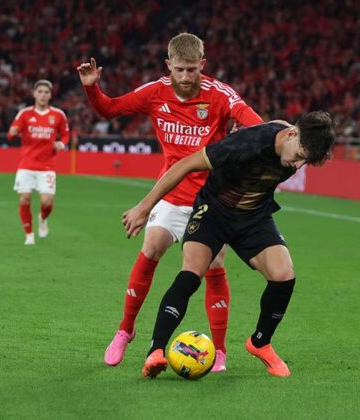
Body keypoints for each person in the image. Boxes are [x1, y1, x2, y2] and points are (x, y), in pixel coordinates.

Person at [78, 32, 263, 371]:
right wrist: (92, 87)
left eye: (193, 69)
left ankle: (219, 351)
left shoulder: (220, 96)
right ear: (169, 66)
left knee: (215, 264)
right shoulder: (155, 92)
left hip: (211, 198)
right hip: (172, 193)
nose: (187, 76)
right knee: (151, 248)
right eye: (180, 69)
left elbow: (255, 123)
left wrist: (249, 135)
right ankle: (125, 330)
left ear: (202, 65)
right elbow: (110, 109)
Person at [121, 111, 337, 378]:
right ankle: (156, 351)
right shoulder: (246, 144)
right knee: (190, 275)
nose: (296, 165)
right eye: (299, 156)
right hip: (214, 213)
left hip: (253, 217)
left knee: (284, 275)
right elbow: (184, 165)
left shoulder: (302, 142)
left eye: (305, 161)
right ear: (292, 135)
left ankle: (260, 343)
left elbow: (307, 141)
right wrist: (144, 207)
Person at [7, 80, 70, 245]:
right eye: (40, 92)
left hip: (47, 165)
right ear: (34, 94)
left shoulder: (58, 115)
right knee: (24, 199)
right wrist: (13, 133)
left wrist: (61, 144)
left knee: (47, 202)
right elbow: (11, 134)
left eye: (46, 92)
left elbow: (65, 134)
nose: (43, 95)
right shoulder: (25, 114)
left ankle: (42, 218)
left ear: (50, 95)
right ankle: (29, 235)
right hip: (26, 164)